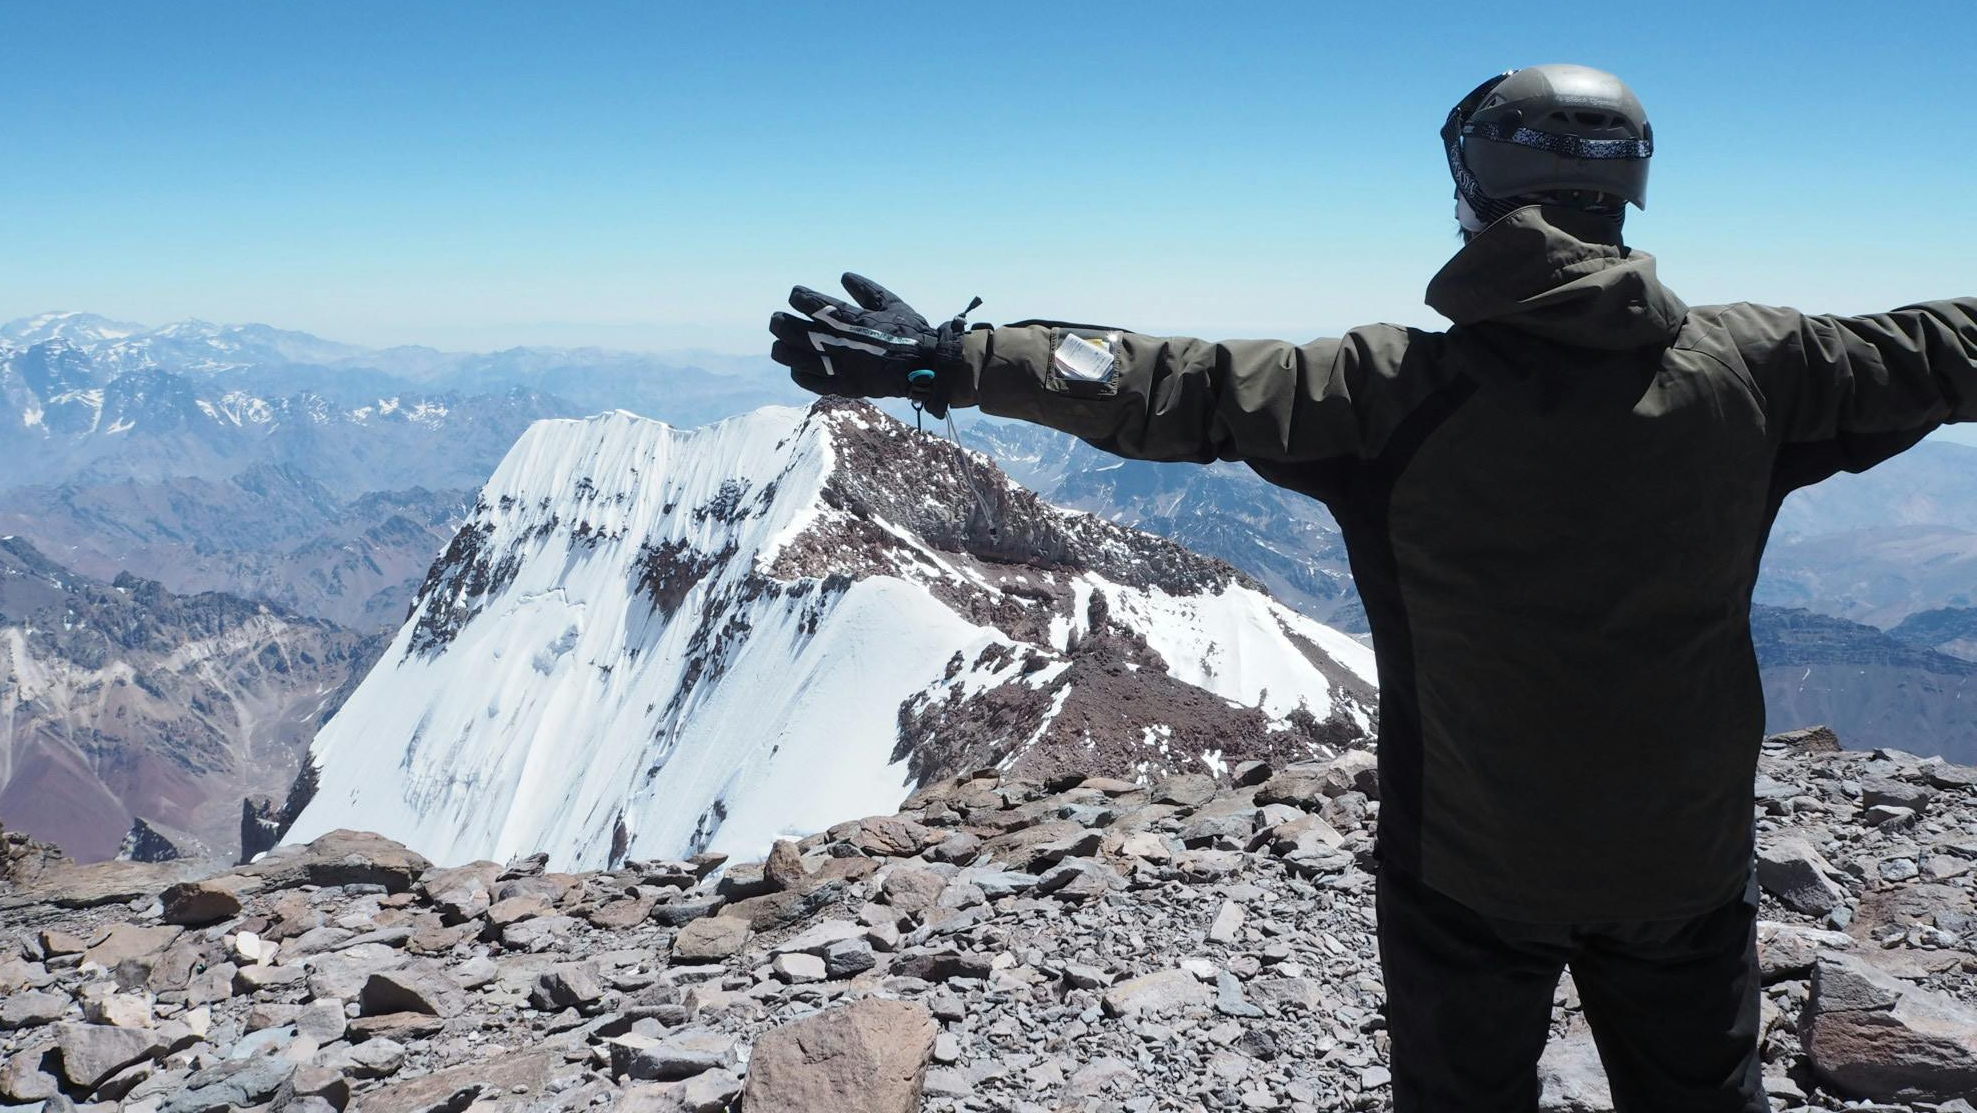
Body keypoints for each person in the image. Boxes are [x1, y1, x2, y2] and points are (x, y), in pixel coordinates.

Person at [767, 63, 1977, 1112]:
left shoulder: (1384, 389)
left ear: (1477, 190)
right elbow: (1945, 348)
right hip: (1682, 855)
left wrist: (950, 357)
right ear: (1622, 194)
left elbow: (1166, 385)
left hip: (1467, 865)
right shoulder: (1761, 370)